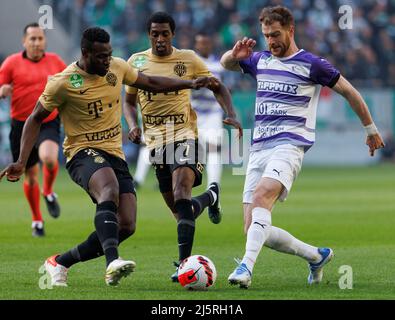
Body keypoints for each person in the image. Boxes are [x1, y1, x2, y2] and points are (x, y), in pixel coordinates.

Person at [0, 27, 217, 287]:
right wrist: (22, 160)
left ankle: (60, 262)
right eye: (101, 56)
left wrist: (190, 83)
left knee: (126, 225)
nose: (107, 61)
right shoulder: (63, 82)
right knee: (109, 188)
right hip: (81, 152)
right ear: (86, 53)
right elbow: (34, 118)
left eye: (109, 55)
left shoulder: (117, 67)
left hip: (114, 153)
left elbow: (151, 82)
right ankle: (112, 263)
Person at [220, 6, 385, 288]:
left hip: (289, 146)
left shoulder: (312, 64)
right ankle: (315, 256)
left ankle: (246, 267)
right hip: (258, 147)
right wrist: (232, 55)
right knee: (252, 229)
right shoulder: (260, 60)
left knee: (262, 198)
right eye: (266, 36)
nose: (270, 41)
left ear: (290, 30)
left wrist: (370, 128)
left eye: (275, 34)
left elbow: (349, 92)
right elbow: (227, 64)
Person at [123, 12, 242, 282]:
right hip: (156, 142)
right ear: (149, 35)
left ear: (172, 35)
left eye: (165, 33)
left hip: (183, 135)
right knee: (180, 210)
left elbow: (218, 86)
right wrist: (132, 124)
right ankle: (212, 196)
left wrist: (231, 112)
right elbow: (129, 101)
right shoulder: (136, 61)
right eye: (155, 34)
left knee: (181, 192)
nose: (160, 39)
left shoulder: (188, 59)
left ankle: (183, 265)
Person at [0, 23, 66, 237]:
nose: (37, 42)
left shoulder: (56, 62)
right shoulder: (11, 63)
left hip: (47, 120)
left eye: (40, 38)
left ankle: (48, 191)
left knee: (49, 158)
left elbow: (70, 85)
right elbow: (1, 86)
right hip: (21, 124)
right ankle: (37, 220)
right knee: (29, 174)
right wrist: (3, 90)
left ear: (45, 41)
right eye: (32, 39)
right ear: (24, 41)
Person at [190, 32, 226, 188]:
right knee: (188, 152)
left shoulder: (218, 65)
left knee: (213, 149)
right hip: (193, 114)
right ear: (196, 45)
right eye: (201, 43)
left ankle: (213, 186)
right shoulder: (189, 64)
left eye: (206, 43)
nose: (203, 46)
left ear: (211, 44)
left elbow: (224, 88)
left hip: (213, 114)